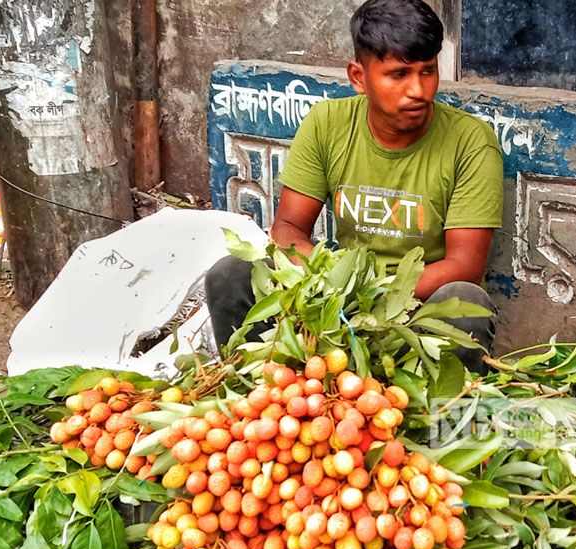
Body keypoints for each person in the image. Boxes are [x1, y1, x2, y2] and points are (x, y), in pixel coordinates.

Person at [206, 0, 504, 372]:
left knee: (465, 301)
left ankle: (439, 422)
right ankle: (260, 398)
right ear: (358, 77)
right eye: (399, 74)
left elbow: (465, 266)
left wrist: (374, 296)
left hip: (417, 314)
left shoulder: (470, 142)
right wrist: (335, 288)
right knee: (231, 274)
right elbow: (287, 229)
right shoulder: (327, 123)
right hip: (336, 308)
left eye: (428, 71)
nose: (419, 90)